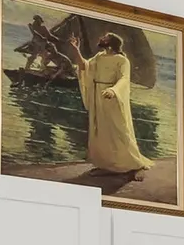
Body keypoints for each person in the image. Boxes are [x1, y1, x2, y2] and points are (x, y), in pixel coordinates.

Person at [66, 30, 154, 176]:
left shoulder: (122, 60)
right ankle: (105, 164)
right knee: (100, 130)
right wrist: (76, 49)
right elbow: (84, 67)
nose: (101, 38)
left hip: (112, 98)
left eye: (105, 37)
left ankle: (133, 164)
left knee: (118, 130)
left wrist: (113, 90)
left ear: (111, 43)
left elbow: (124, 79)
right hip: (97, 97)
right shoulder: (99, 56)